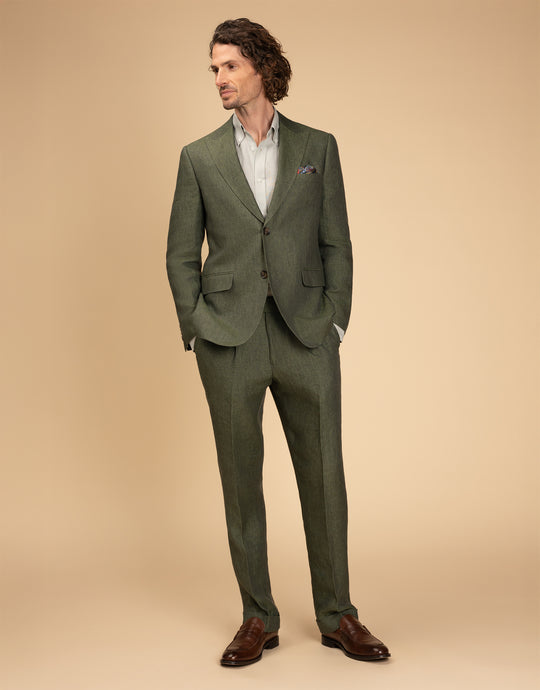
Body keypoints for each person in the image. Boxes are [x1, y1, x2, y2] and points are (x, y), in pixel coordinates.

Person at [166, 18, 390, 667]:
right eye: (213, 68)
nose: (219, 79)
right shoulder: (199, 157)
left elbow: (336, 241)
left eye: (229, 66)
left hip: (305, 331)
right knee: (241, 481)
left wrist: (336, 318)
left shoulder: (318, 146)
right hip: (229, 336)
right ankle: (257, 617)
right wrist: (196, 326)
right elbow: (180, 253)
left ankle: (338, 615)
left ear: (262, 67)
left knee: (324, 475)